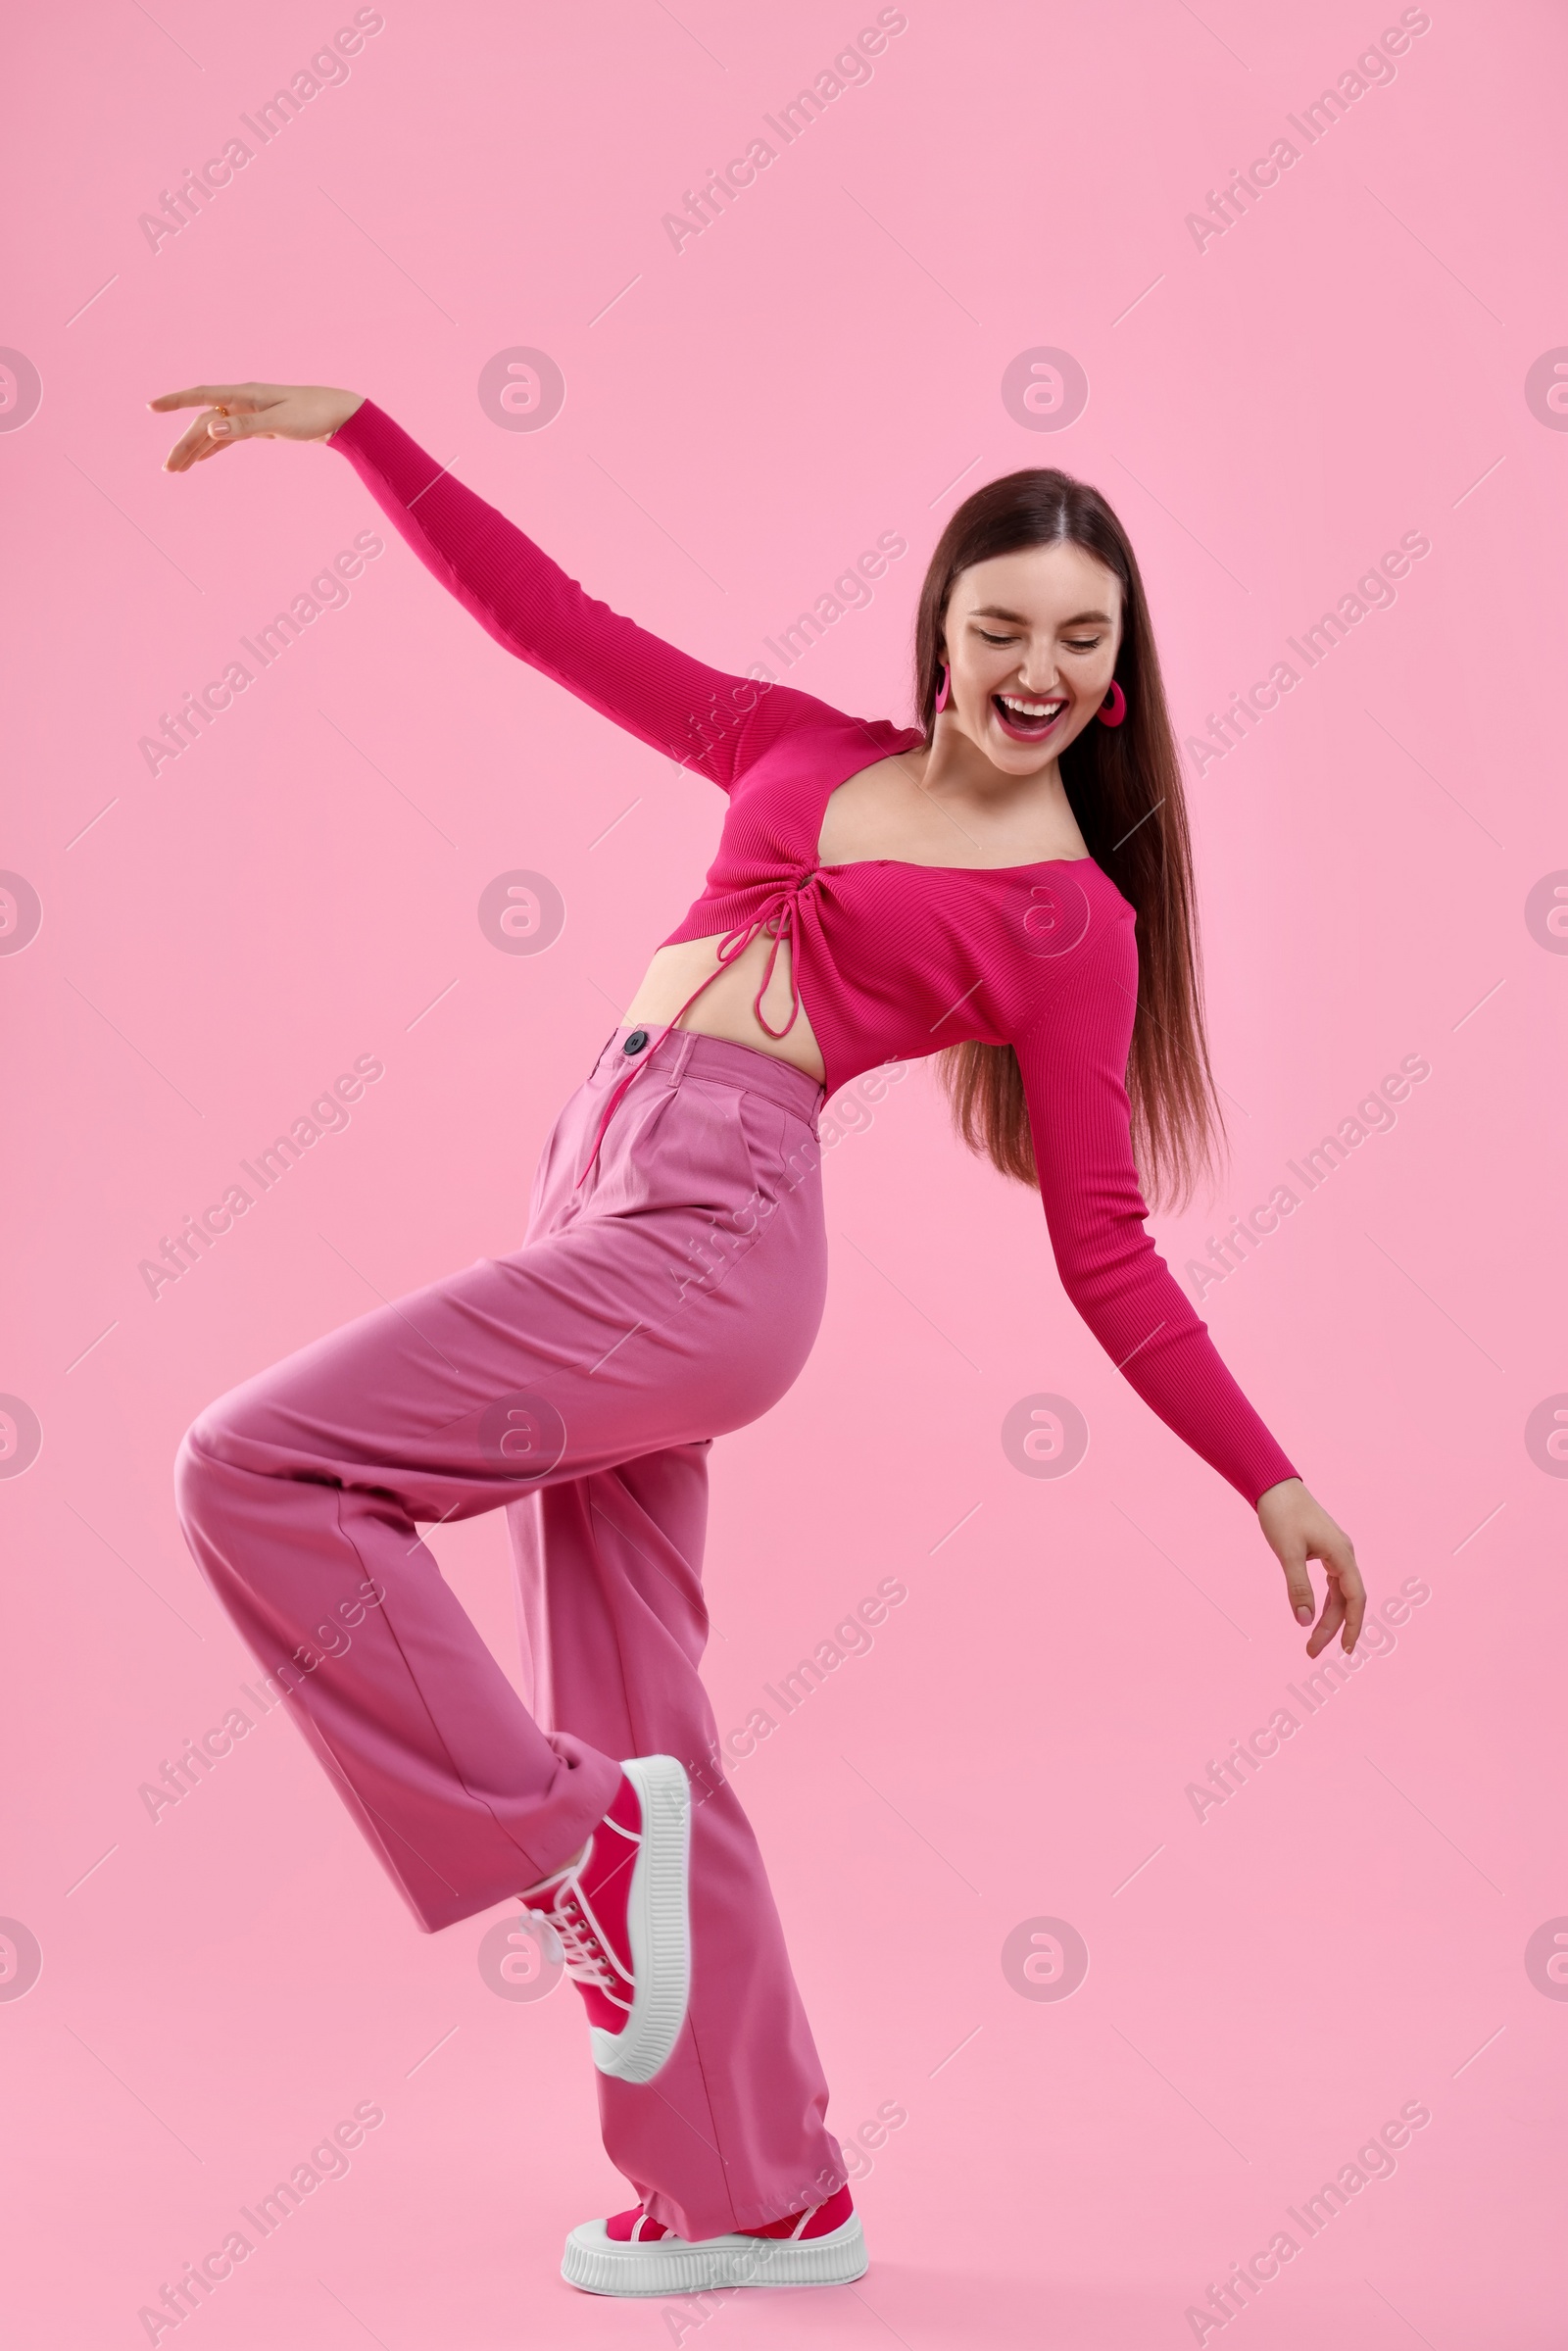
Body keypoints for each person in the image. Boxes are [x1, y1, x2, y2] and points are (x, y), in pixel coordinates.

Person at [153, 379, 1365, 2299]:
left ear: (1118, 667)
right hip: (602, 1185)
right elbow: (551, 624)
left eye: (1078, 637)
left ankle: (562, 1849)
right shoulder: (796, 745)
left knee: (253, 1464)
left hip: (712, 1234)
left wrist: (1268, 1477)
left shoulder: (1070, 924)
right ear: (941, 635)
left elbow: (1105, 1252)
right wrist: (363, 431)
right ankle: (757, 2186)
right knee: (649, 1725)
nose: (1033, 667)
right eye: (999, 629)